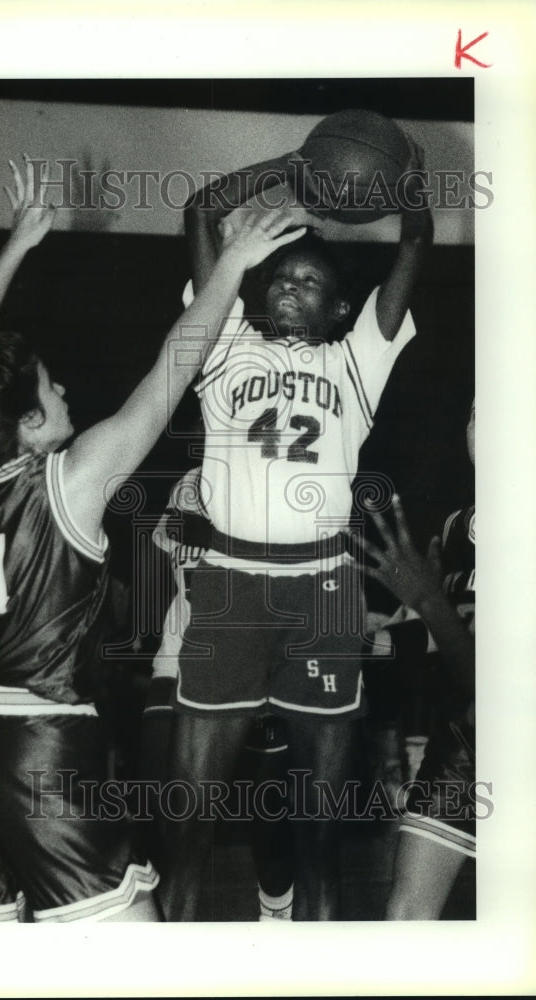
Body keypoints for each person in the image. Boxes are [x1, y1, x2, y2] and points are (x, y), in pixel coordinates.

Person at [0, 155, 306, 923]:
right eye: (49, 388)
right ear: (28, 427)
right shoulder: (68, 480)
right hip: (41, 753)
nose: (63, 390)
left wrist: (15, 249)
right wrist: (232, 260)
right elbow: (173, 370)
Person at [160, 133, 433, 921]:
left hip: (321, 591)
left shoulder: (357, 360)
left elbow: (415, 236)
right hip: (230, 591)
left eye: (309, 280)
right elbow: (202, 208)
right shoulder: (222, 343)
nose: (288, 286)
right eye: (279, 276)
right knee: (188, 827)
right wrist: (297, 168)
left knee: (318, 838)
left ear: (339, 307)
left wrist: (401, 178)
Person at [140, 468, 294, 920]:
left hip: (259, 667)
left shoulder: (282, 477)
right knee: (164, 817)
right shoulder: (189, 480)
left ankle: (277, 916)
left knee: (270, 818)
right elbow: (168, 535)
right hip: (180, 658)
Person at [361, 404, 476, 919]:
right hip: (464, 738)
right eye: (476, 414)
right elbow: (452, 631)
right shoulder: (460, 529)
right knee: (405, 919)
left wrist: (428, 600)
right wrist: (362, 644)